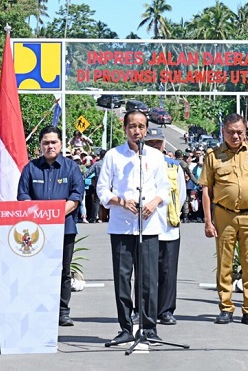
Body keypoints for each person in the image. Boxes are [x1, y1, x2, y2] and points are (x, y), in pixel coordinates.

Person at [97, 110, 171, 344]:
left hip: (148, 226)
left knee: (148, 279)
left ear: (146, 129)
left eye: (140, 126)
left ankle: (149, 328)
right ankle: (126, 327)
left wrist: (154, 202)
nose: (136, 130)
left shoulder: (156, 157)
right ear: (125, 129)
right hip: (121, 226)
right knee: (122, 279)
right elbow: (102, 190)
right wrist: (120, 201)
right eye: (132, 126)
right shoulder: (113, 156)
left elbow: (165, 188)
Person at [199, 113, 248, 327]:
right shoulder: (213, 155)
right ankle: (226, 307)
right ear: (223, 132)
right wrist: (208, 221)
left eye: (239, 132)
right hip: (224, 214)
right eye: (231, 132)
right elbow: (206, 189)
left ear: (245, 132)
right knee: (225, 263)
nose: (235, 136)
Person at [17, 126, 84, 327]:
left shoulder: (71, 168)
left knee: (63, 271)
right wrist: (42, 217)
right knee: (38, 271)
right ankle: (39, 308)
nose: (50, 146)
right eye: (46, 142)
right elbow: (23, 196)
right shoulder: (30, 168)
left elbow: (76, 196)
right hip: (36, 231)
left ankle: (63, 311)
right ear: (40, 145)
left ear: (61, 144)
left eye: (54, 142)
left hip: (65, 228)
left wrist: (54, 216)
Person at [144, 132, 186, 326]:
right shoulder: (139, 163)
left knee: (168, 271)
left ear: (162, 145)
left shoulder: (173, 165)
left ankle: (166, 310)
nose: (154, 147)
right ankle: (143, 309)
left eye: (157, 143)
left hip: (169, 225)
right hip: (146, 224)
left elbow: (182, 195)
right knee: (146, 270)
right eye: (149, 143)